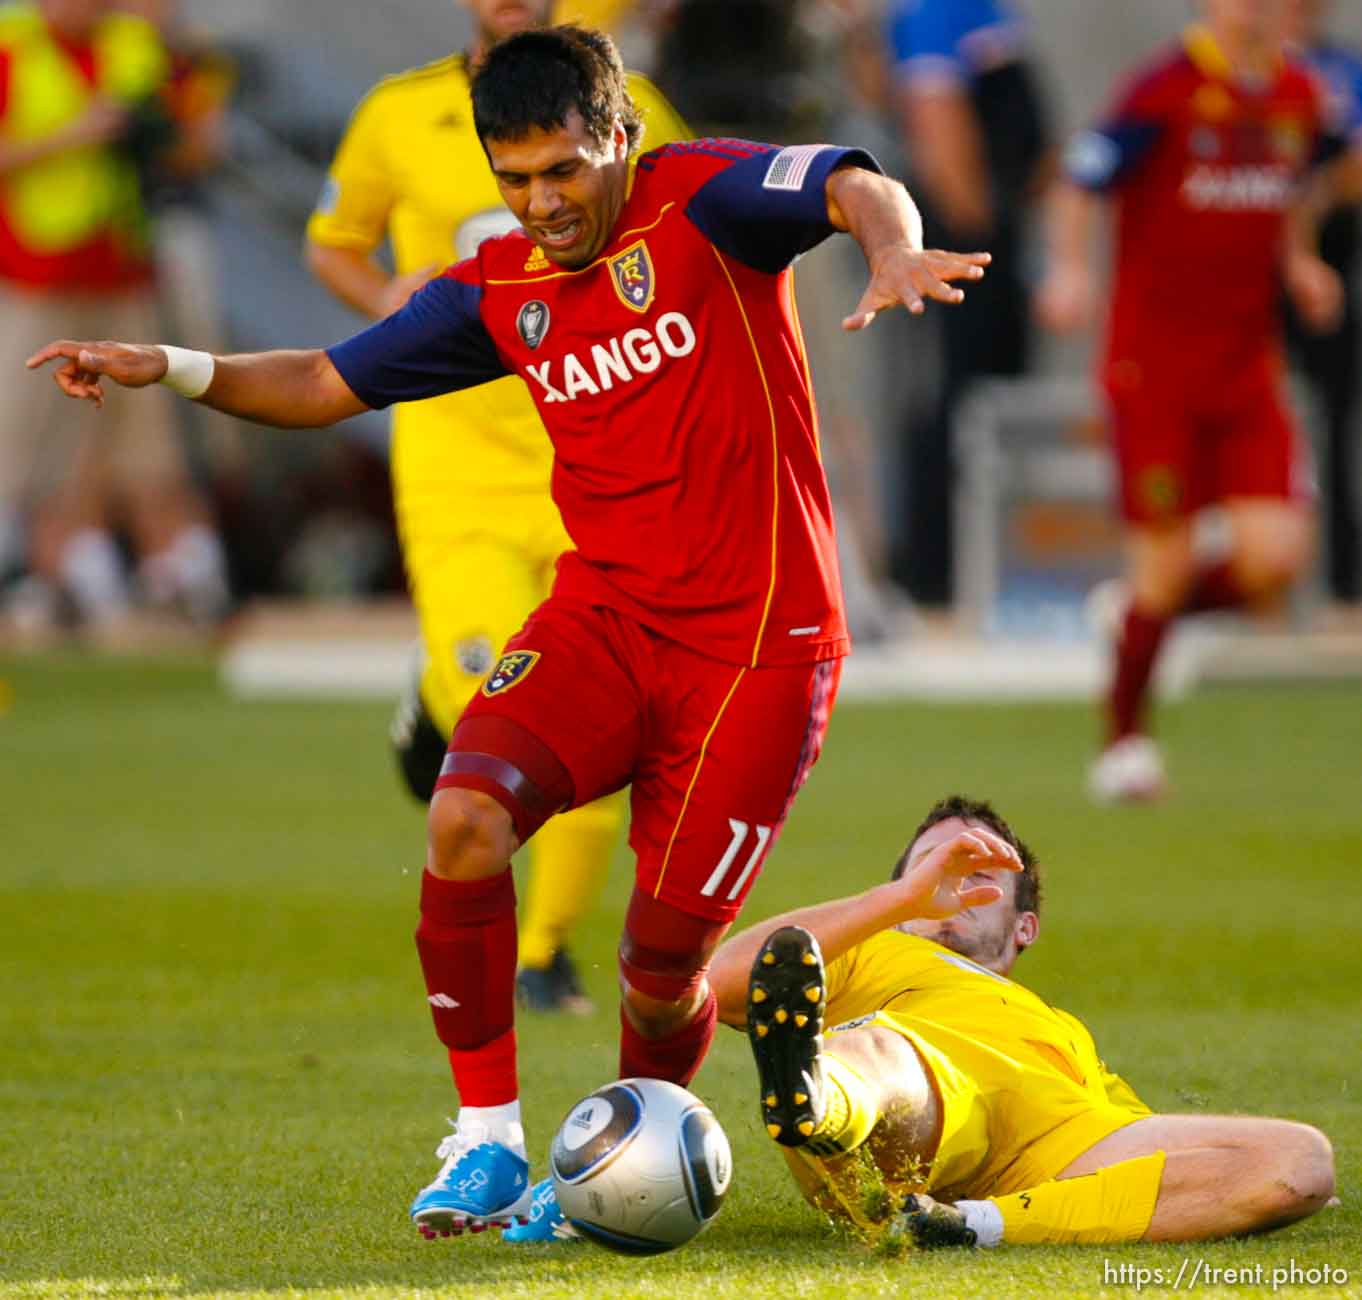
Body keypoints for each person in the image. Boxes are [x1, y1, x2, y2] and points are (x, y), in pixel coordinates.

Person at [27, 24, 990, 1237]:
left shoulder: (705, 199)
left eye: (563, 172)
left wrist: (895, 248)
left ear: (621, 139)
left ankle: (612, 1172)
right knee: (465, 813)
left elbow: (854, 180)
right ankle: (484, 1139)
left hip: (759, 649)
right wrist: (162, 362)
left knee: (659, 970)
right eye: (515, 178)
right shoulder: (500, 286)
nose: (541, 204)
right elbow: (326, 381)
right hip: (605, 615)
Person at [305, 0, 690, 1017]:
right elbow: (335, 241)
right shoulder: (401, 112)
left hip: (596, 459)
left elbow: (685, 240)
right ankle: (429, 716)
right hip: (456, 464)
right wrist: (395, 309)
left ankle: (544, 949)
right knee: (480, 687)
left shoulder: (634, 107)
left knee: (605, 719)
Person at [706, 795, 1336, 1247]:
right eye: (933, 870)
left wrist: (1234, 1179)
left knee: (1300, 1160)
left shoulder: (1060, 1025)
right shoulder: (877, 948)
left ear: (1024, 925)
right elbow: (721, 982)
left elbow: (1162, 1152)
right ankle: (818, 1100)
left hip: (1056, 1146)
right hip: (921, 1091)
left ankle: (965, 1226)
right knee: (889, 1057)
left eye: (978, 873)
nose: (952, 880)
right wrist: (892, 903)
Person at [1035, 0, 1349, 803]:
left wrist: (1301, 260)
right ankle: (1124, 743)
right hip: (1155, 371)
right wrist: (1069, 269)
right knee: (1165, 562)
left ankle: (1143, 618)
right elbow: (1078, 182)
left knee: (1276, 558)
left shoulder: (1300, 95)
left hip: (1247, 369)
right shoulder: (1163, 90)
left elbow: (1303, 184)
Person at [0, 0, 229, 642]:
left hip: (127, 269)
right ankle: (43, 574)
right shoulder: (14, 47)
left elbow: (192, 137)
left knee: (136, 445)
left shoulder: (136, 44)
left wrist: (166, 133)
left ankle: (130, 582)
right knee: (23, 443)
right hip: (35, 277)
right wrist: (80, 133)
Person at [885, 0, 1051, 609]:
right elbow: (936, 119)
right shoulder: (935, 12)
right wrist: (975, 236)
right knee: (958, 401)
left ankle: (990, 563)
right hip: (966, 244)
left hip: (995, 238)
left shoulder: (981, 11)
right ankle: (938, 572)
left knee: (994, 397)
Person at [1285, 0, 1362, 620]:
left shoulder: (1339, 71)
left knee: (1333, 417)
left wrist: (1305, 220)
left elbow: (1349, 165)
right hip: (1234, 260)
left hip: (1332, 253)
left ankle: (1338, 579)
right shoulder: (1210, 73)